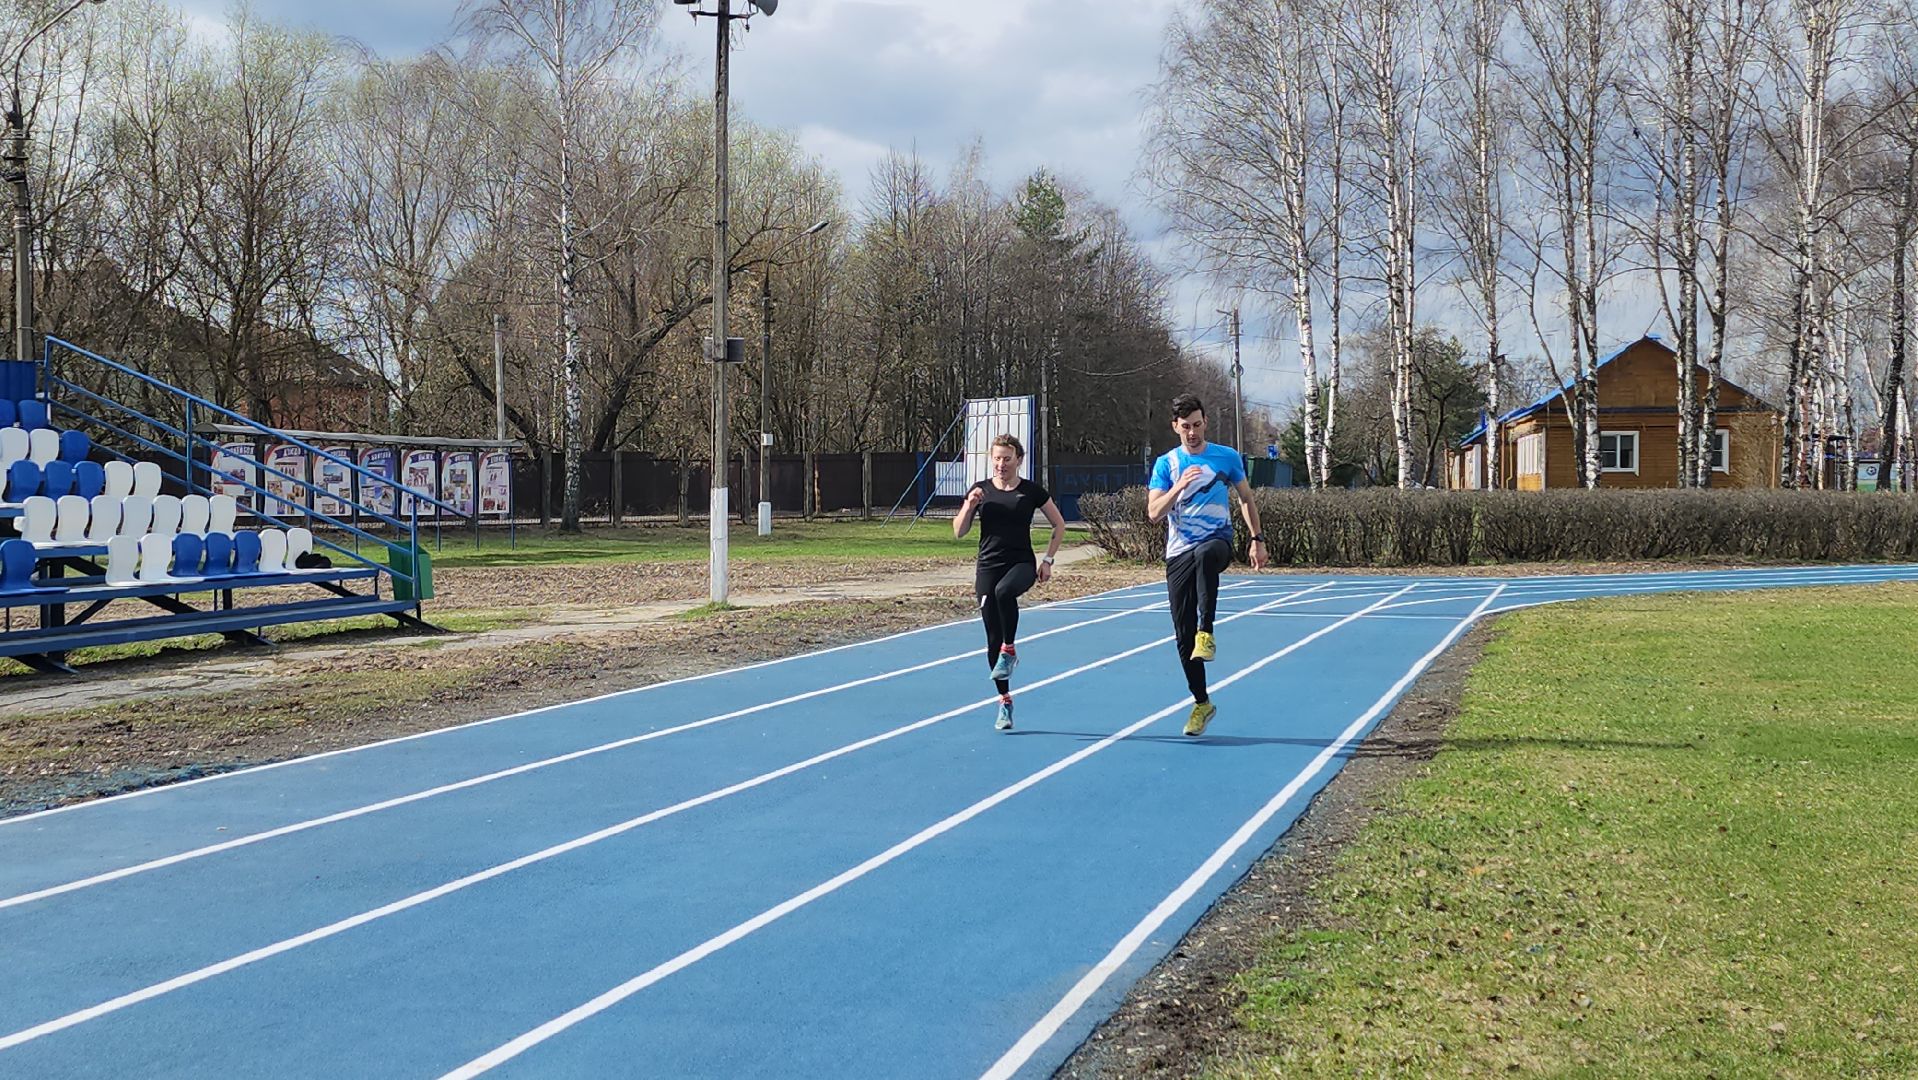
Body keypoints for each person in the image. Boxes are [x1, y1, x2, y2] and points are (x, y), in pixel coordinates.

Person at [1146, 394, 1267, 737]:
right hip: (1178, 551)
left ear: (1205, 423)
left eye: (1197, 425)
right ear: (1175, 428)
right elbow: (1154, 514)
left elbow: (1246, 498)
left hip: (1217, 541)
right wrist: (1179, 487)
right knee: (1181, 636)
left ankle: (1207, 631)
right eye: (1186, 427)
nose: (1192, 433)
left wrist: (1257, 540)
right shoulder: (1166, 464)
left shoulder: (1225, 457)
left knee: (1205, 555)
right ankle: (1201, 702)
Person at [954, 434, 1067, 731]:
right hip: (988, 565)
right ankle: (1004, 701)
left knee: (1006, 593)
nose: (1001, 464)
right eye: (997, 458)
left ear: (1019, 459)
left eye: (1007, 458)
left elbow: (1059, 524)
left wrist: (1048, 560)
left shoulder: (1030, 491)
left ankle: (1011, 649)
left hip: (1020, 563)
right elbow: (959, 532)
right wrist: (969, 506)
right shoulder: (981, 490)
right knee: (992, 637)